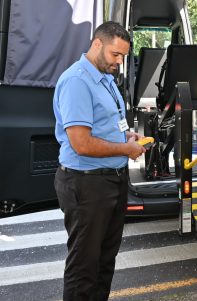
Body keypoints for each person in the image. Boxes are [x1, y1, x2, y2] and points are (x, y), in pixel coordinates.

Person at [53, 21, 147, 301]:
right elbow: (81, 143)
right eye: (115, 54)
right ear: (97, 44)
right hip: (87, 184)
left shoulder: (104, 76)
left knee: (105, 261)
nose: (119, 62)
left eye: (123, 56)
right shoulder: (77, 81)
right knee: (85, 266)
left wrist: (125, 134)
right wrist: (125, 149)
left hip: (111, 180)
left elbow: (105, 123)